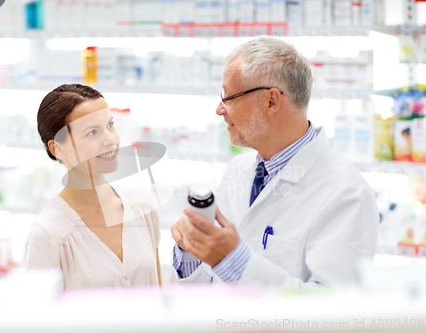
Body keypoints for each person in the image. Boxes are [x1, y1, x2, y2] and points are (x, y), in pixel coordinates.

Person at [171, 36, 379, 290]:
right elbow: (210, 286)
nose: (219, 109)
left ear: (271, 101)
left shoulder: (346, 192)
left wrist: (233, 260)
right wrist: (191, 250)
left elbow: (333, 310)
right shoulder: (237, 171)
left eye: (228, 96)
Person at [24, 84, 161, 290]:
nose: (110, 139)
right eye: (92, 132)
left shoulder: (142, 205)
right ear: (58, 148)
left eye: (110, 125)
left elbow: (158, 291)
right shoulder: (49, 235)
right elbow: (40, 318)